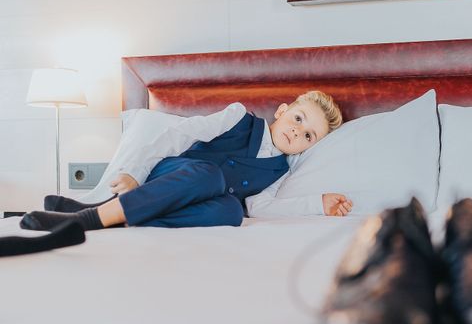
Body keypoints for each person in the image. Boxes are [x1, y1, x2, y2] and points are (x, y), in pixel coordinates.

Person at [20, 91, 353, 231]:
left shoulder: (280, 169)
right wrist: (134, 173)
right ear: (282, 111)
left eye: (309, 135)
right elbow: (176, 135)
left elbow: (261, 207)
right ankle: (91, 217)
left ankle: (116, 220)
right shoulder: (238, 117)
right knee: (210, 175)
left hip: (201, 199)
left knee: (232, 211)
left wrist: (317, 204)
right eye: (298, 118)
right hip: (174, 175)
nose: (297, 132)